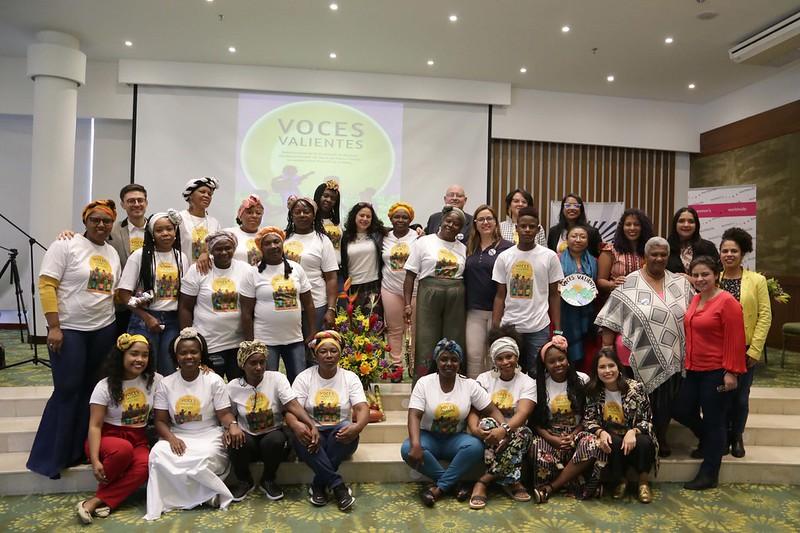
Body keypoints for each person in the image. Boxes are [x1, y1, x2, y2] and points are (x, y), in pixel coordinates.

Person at [28, 200, 121, 479]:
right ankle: (50, 458)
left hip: (104, 329)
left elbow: (112, 293)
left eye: (106, 220)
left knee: (92, 392)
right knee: (67, 389)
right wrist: (54, 326)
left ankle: (77, 451)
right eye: (95, 219)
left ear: (112, 224)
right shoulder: (65, 245)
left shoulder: (112, 253)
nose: (101, 224)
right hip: (70, 330)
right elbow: (47, 285)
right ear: (85, 221)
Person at [595, 237, 693, 457]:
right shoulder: (629, 282)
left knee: (665, 402)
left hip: (671, 353)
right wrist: (606, 350)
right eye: (654, 254)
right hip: (635, 355)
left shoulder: (681, 283)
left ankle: (660, 436)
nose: (658, 258)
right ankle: (640, 442)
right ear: (645, 256)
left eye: (663, 254)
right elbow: (610, 317)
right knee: (639, 401)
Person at [145, 328, 243, 520]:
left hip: (208, 433)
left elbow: (224, 413)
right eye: (183, 353)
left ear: (201, 354)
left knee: (207, 456)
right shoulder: (166, 383)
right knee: (158, 454)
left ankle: (200, 496)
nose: (189, 356)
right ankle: (203, 497)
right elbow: (160, 421)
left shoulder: (213, 380)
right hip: (178, 434)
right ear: (176, 356)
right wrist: (171, 438)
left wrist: (232, 424)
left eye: (193, 352)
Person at [401, 339, 504, 507]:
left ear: (460, 362)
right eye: (444, 359)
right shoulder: (424, 383)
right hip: (429, 437)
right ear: (436, 361)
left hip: (455, 439)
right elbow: (414, 415)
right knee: (407, 449)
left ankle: (439, 489)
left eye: (454, 359)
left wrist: (505, 428)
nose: (449, 363)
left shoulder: (469, 385)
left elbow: (491, 410)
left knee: (475, 447)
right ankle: (453, 485)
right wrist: (416, 444)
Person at [673, 256, 747, 490]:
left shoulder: (727, 302)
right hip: (693, 369)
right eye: (695, 275)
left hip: (717, 371)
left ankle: (709, 474)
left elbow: (736, 339)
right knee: (681, 409)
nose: (700, 279)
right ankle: (711, 441)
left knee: (715, 420)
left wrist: (731, 372)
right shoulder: (696, 299)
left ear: (716, 275)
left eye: (705, 274)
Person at [78, 334, 160, 524]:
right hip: (107, 438)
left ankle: (96, 501)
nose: (140, 359)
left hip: (138, 439)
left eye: (145, 355)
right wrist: (95, 459)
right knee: (123, 449)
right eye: (134, 354)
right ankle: (106, 499)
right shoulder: (104, 386)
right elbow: (94, 426)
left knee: (146, 464)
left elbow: (178, 380)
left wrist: (203, 369)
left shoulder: (154, 380)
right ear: (122, 355)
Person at [226, 340, 320, 501]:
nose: (258, 367)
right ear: (243, 364)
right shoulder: (233, 386)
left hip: (272, 434)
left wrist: (311, 424)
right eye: (253, 363)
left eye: (262, 362)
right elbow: (228, 413)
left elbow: (292, 404)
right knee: (235, 439)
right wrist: (230, 427)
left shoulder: (277, 378)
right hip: (248, 436)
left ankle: (268, 479)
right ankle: (244, 481)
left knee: (275, 440)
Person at [286, 331, 368, 511]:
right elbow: (292, 410)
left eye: (333, 351)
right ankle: (338, 487)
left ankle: (318, 485)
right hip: (314, 434)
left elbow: (362, 408)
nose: (329, 355)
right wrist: (296, 425)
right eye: (323, 351)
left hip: (340, 435)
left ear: (340, 354)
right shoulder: (304, 377)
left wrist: (357, 427)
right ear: (315, 355)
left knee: (344, 430)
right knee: (302, 437)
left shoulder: (350, 378)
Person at [529, 336, 605, 503]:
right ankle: (575, 483)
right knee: (536, 446)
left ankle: (552, 487)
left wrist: (574, 434)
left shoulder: (582, 379)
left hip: (577, 434)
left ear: (568, 359)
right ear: (545, 365)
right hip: (551, 437)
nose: (558, 364)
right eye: (551, 362)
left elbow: (589, 415)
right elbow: (534, 422)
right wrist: (552, 439)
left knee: (592, 443)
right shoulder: (538, 384)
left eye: (561, 359)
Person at [467, 328, 536, 508]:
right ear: (494, 360)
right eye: (500, 358)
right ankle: (513, 481)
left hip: (515, 431)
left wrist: (504, 430)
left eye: (509, 356)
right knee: (487, 423)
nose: (505, 362)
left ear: (517, 356)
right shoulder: (484, 379)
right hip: (489, 431)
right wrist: (474, 429)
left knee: (524, 432)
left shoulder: (528, 382)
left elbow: (523, 413)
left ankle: (484, 481)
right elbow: (474, 410)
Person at [719, 227, 772, 458]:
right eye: (725, 251)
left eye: (734, 251)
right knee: (721, 396)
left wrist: (755, 349)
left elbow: (765, 316)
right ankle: (722, 435)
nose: (729, 255)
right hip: (718, 349)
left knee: (740, 397)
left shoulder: (757, 280)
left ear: (742, 254)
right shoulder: (714, 278)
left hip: (745, 349)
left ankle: (737, 436)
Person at [492, 206, 564, 374]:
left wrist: (558, 330)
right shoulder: (504, 257)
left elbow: (554, 296)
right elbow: (500, 296)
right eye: (523, 226)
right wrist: (495, 328)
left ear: (538, 229)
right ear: (516, 228)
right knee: (509, 373)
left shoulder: (549, 256)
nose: (527, 230)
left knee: (536, 374)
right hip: (510, 327)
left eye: (531, 226)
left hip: (538, 327)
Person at [240, 226, 316, 384]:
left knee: (299, 381)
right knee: (268, 383)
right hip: (265, 341)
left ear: (283, 244)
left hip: (295, 339)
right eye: (267, 243)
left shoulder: (297, 269)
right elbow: (246, 312)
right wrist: (251, 343)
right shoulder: (252, 273)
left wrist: (312, 331)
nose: (273, 246)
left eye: (276, 241)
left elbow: (309, 304)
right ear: (261, 248)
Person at [118, 210, 189, 376]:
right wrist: (147, 317)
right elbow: (123, 294)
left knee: (169, 370)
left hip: (172, 321)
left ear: (175, 231)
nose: (165, 233)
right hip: (144, 319)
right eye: (159, 230)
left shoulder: (181, 257)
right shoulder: (139, 256)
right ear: (151, 233)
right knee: (143, 369)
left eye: (169, 229)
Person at [584, 348, 657, 503]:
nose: (607, 371)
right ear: (596, 371)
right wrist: (600, 432)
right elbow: (589, 420)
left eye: (611, 365)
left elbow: (647, 419)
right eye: (602, 367)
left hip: (635, 434)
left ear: (618, 367)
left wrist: (633, 431)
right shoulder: (593, 391)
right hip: (611, 434)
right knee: (612, 441)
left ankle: (643, 482)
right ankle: (621, 480)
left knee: (644, 442)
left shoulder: (636, 388)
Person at [404, 206, 468, 381]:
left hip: (455, 298)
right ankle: (423, 384)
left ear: (461, 228)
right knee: (426, 341)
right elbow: (410, 276)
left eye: (456, 224)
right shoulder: (423, 242)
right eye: (448, 221)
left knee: (454, 342)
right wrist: (407, 304)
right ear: (442, 220)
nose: (451, 225)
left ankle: (454, 384)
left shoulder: (463, 248)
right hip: (429, 295)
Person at [179, 230, 250, 380]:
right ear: (210, 250)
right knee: (210, 387)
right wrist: (188, 338)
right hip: (209, 344)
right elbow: (185, 307)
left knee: (238, 387)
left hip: (238, 344)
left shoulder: (245, 269)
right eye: (218, 249)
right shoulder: (198, 269)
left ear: (234, 248)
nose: (224, 252)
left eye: (228, 248)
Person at [464, 204, 513, 378]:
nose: (485, 222)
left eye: (489, 219)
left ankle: (496, 392)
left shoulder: (508, 248)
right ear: (475, 224)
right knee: (474, 356)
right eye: (481, 219)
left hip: (499, 311)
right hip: (474, 311)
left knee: (496, 356)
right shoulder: (468, 247)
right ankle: (475, 392)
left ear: (496, 222)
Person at [283, 197, 339, 336]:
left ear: (314, 215)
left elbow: (331, 278)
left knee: (314, 346)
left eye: (306, 212)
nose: (302, 215)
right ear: (291, 215)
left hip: (316, 303)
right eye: (297, 212)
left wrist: (331, 309)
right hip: (287, 304)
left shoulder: (323, 240)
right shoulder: (283, 238)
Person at [380, 202, 419, 374]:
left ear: (411, 220)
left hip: (415, 289)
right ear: (391, 218)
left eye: (405, 217)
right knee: (394, 329)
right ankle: (396, 366)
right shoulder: (383, 237)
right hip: (390, 289)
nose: (401, 220)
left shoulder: (418, 237)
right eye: (397, 217)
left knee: (414, 329)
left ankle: (414, 366)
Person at [558, 225, 599, 367]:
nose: (578, 240)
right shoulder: (557, 259)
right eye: (574, 236)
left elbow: (595, 283)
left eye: (582, 237)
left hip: (587, 310)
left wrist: (594, 289)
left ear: (588, 241)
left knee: (587, 348)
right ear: (566, 239)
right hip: (563, 311)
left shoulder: (594, 261)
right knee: (564, 345)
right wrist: (557, 287)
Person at [597, 209, 654, 295]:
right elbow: (600, 281)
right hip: (617, 298)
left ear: (643, 228)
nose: (632, 228)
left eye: (636, 224)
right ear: (622, 227)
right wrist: (612, 284)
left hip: (645, 298)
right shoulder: (610, 250)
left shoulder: (650, 250)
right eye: (628, 224)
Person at [340, 202, 385, 310]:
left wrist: (417, 227)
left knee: (374, 319)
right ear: (354, 216)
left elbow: (397, 229)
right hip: (352, 287)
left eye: (368, 216)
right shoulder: (345, 237)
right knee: (353, 319)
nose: (365, 219)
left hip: (374, 286)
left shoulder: (378, 234)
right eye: (362, 215)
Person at [178, 176, 221, 271]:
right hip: (184, 273)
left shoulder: (214, 223)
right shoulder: (180, 218)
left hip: (209, 275)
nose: (207, 196)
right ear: (190, 195)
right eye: (202, 192)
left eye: (210, 194)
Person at [666, 207, 719, 276]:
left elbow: (717, 273)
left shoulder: (708, 247)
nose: (686, 225)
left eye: (691, 221)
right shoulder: (665, 247)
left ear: (696, 225)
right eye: (681, 221)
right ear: (675, 224)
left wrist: (691, 280)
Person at [227, 194, 264, 266]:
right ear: (240, 216)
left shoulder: (266, 236)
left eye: (258, 213)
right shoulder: (228, 234)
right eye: (249, 212)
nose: (254, 216)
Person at [314, 178, 343, 265]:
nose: (329, 200)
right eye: (325, 196)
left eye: (333, 198)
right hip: (318, 269)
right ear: (318, 196)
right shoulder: (310, 221)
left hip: (338, 268)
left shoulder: (336, 223)